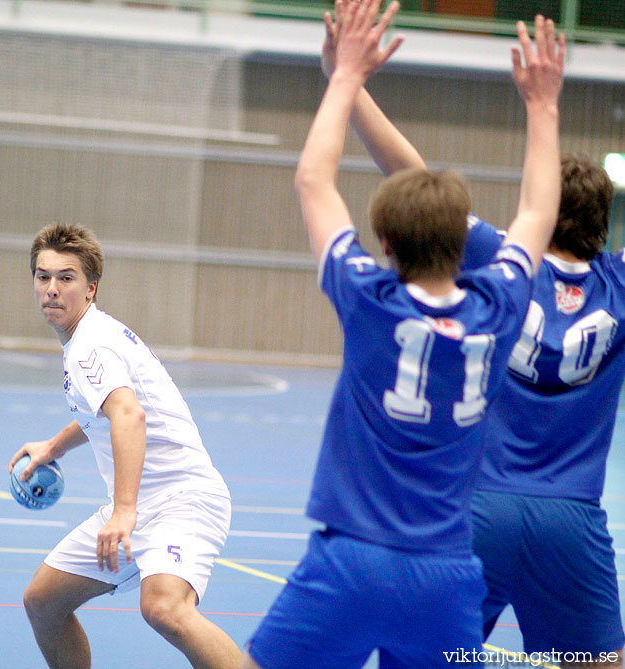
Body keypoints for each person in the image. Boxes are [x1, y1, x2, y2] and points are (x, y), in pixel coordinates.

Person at [241, 2, 564, 668]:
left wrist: (343, 76)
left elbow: (312, 179)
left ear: (381, 243)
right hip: (444, 575)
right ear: (467, 243)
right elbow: (537, 210)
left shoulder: (368, 297)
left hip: (350, 561)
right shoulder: (500, 304)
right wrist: (543, 105)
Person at [321, 2, 624, 666]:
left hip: (477, 508)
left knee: (434, 653)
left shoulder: (501, 262)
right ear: (605, 223)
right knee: (601, 664)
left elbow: (407, 172)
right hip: (571, 516)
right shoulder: (619, 285)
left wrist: (347, 84)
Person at [8, 223, 242, 669]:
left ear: (90, 288)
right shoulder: (88, 340)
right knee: (43, 601)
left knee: (165, 609)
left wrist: (124, 512)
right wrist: (54, 448)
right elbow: (99, 413)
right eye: (43, 277)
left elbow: (128, 415)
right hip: (141, 506)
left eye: (66, 278)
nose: (52, 289)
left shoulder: (89, 346)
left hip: (182, 500)